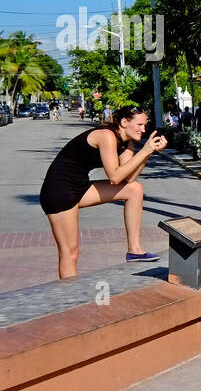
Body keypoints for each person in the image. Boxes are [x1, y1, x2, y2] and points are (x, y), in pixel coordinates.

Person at [39, 105, 168, 280]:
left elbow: (128, 179)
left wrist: (147, 153)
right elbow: (114, 177)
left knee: (134, 189)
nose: (143, 129)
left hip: (80, 187)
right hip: (58, 190)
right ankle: (70, 300)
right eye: (139, 125)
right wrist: (145, 150)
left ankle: (134, 250)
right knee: (70, 252)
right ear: (124, 122)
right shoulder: (106, 136)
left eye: (145, 125)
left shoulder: (127, 143)